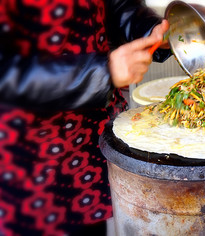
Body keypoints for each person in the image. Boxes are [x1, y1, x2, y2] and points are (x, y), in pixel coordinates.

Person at [0, 0, 170, 235]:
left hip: (89, 143)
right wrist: (103, 73)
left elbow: (115, 4)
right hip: (29, 158)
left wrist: (148, 29)